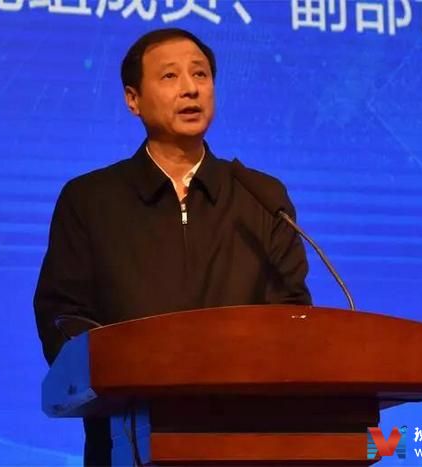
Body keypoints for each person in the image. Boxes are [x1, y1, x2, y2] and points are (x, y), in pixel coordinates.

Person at [34, 28, 312, 466]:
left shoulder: (260, 198)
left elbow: (291, 316)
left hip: (245, 443)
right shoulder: (90, 200)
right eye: (169, 76)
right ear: (133, 99)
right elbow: (63, 316)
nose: (190, 88)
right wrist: (134, 371)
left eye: (200, 75)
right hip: (127, 441)